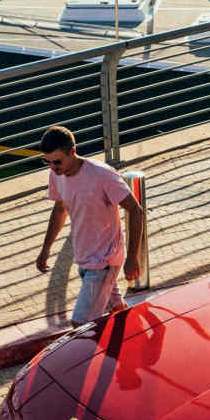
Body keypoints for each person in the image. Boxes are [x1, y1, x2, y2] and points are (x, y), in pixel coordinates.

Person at [35, 126, 144, 324]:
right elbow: (60, 210)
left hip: (104, 260)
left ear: (73, 152)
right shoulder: (56, 174)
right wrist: (45, 249)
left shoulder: (102, 175)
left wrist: (133, 257)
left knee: (81, 323)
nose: (52, 167)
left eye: (57, 161)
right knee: (117, 310)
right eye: (47, 162)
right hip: (84, 257)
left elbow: (136, 211)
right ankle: (136, 340)